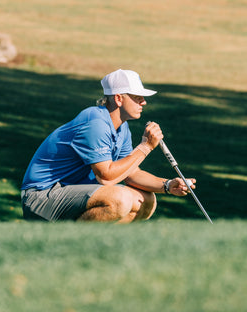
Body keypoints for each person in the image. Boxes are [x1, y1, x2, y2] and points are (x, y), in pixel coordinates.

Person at [21, 69, 195, 223]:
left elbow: (131, 173)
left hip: (69, 194)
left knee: (145, 200)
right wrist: (145, 147)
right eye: (137, 97)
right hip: (41, 196)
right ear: (118, 99)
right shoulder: (95, 122)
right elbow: (106, 178)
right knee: (120, 198)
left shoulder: (122, 127)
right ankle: (71, 244)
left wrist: (167, 185)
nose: (144, 102)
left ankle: (97, 244)